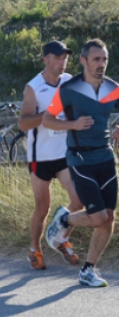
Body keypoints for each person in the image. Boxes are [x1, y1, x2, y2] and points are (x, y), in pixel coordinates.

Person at [45, 38, 117, 288]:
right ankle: (65, 220)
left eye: (104, 59)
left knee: (109, 217)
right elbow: (47, 120)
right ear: (84, 61)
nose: (101, 64)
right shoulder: (69, 89)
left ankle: (88, 270)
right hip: (81, 158)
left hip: (106, 157)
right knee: (98, 218)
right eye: (96, 59)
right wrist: (72, 124)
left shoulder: (113, 88)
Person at [18, 41, 82, 270]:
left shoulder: (70, 81)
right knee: (42, 208)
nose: (62, 61)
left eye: (65, 57)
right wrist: (48, 115)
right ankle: (35, 248)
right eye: (57, 57)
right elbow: (23, 123)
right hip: (40, 156)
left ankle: (60, 237)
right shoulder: (34, 87)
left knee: (78, 200)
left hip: (65, 154)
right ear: (45, 59)